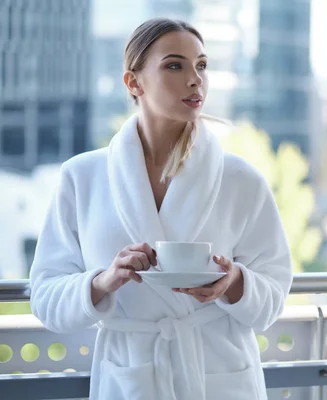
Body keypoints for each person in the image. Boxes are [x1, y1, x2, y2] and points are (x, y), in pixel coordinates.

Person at [29, 17, 293, 400]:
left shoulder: (241, 179)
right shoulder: (82, 177)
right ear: (133, 82)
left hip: (219, 374)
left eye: (201, 65)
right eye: (175, 65)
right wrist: (103, 282)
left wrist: (234, 282)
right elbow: (46, 297)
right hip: (130, 376)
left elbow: (273, 297)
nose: (195, 79)